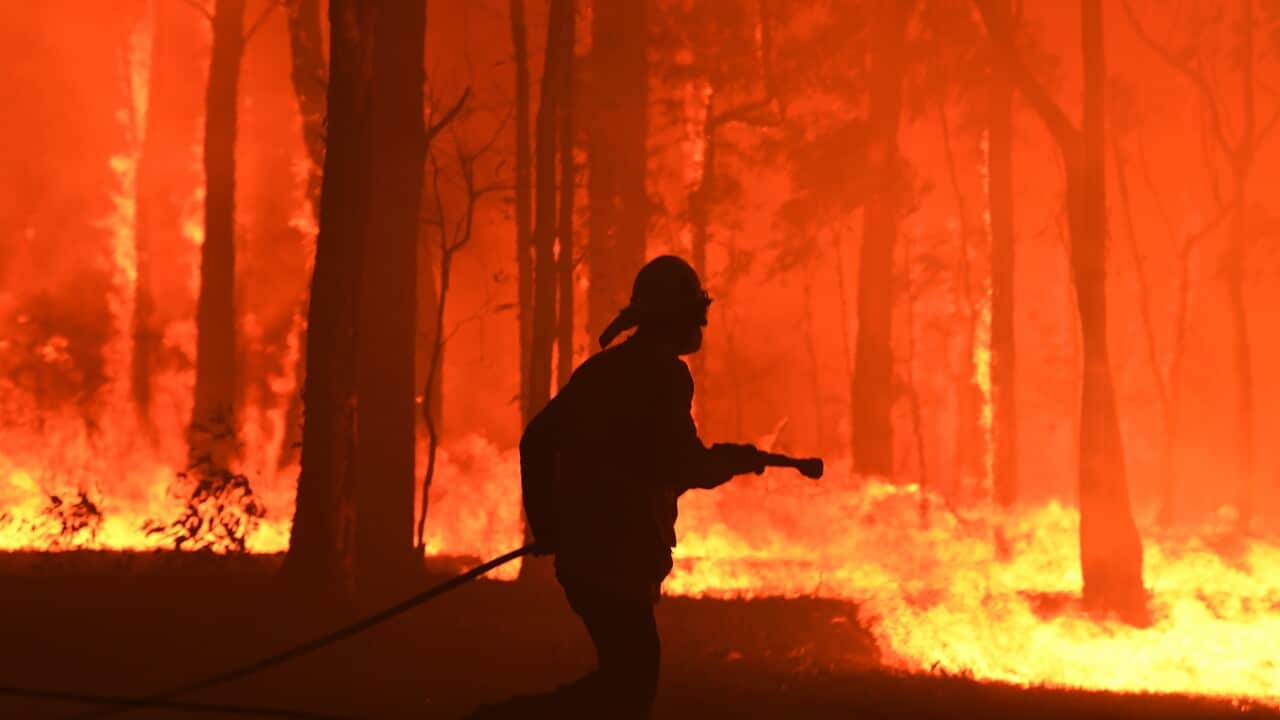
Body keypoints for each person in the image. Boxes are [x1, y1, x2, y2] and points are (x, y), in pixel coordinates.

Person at [516, 255, 767, 717]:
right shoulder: (664, 375)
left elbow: (543, 440)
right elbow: (683, 465)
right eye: (695, 312)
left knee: (624, 681)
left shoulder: (602, 371)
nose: (702, 323)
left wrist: (546, 521)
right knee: (631, 684)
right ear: (675, 316)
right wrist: (729, 462)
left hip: (590, 558)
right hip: (615, 558)